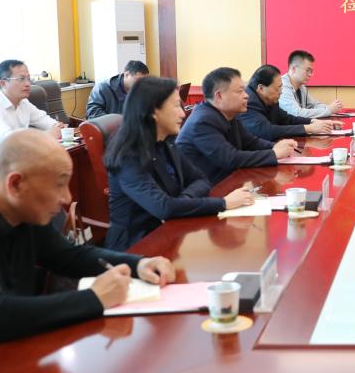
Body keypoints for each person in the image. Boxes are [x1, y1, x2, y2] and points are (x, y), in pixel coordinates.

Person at [0, 129, 176, 373]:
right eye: (59, 184)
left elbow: (69, 256)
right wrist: (95, 298)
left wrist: (139, 264)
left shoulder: (18, 208)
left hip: (5, 353)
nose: (67, 198)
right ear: (15, 184)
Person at [105, 76, 254, 251]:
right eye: (176, 106)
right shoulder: (128, 156)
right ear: (153, 111)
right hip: (136, 247)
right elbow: (164, 207)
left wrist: (182, 200)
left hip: (170, 233)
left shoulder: (166, 142)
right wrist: (224, 203)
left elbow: (201, 180)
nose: (183, 114)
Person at [178, 67, 296, 184]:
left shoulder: (229, 114)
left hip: (226, 183)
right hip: (203, 189)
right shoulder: (202, 121)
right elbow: (230, 159)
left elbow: (251, 142)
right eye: (240, 91)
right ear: (219, 96)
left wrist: (276, 146)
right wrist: (274, 154)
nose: (246, 95)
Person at [0, 59, 63, 152]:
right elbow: (8, 141)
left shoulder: (23, 102)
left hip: (12, 157)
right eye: (21, 79)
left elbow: (48, 122)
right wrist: (45, 136)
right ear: (3, 83)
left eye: (28, 78)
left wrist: (57, 128)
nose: (28, 83)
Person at [241, 64, 342, 141]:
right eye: (278, 88)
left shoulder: (269, 98)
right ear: (261, 88)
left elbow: (287, 119)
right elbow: (267, 131)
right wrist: (308, 128)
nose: (281, 92)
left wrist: (314, 122)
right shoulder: (248, 102)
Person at [279, 50, 343, 119]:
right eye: (307, 70)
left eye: (311, 71)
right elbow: (296, 113)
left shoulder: (301, 87)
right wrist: (328, 110)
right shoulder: (281, 86)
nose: (310, 75)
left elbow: (313, 105)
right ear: (294, 69)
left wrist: (331, 107)